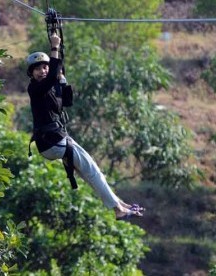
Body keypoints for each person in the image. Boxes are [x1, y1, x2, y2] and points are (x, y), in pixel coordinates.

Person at [26, 33, 144, 220]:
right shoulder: (35, 89)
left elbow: (67, 102)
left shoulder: (48, 89)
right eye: (38, 69)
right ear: (31, 74)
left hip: (54, 142)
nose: (42, 71)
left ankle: (119, 204)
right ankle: (118, 208)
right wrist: (55, 47)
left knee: (92, 172)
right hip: (52, 142)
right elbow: (48, 82)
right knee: (92, 171)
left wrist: (62, 80)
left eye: (45, 67)